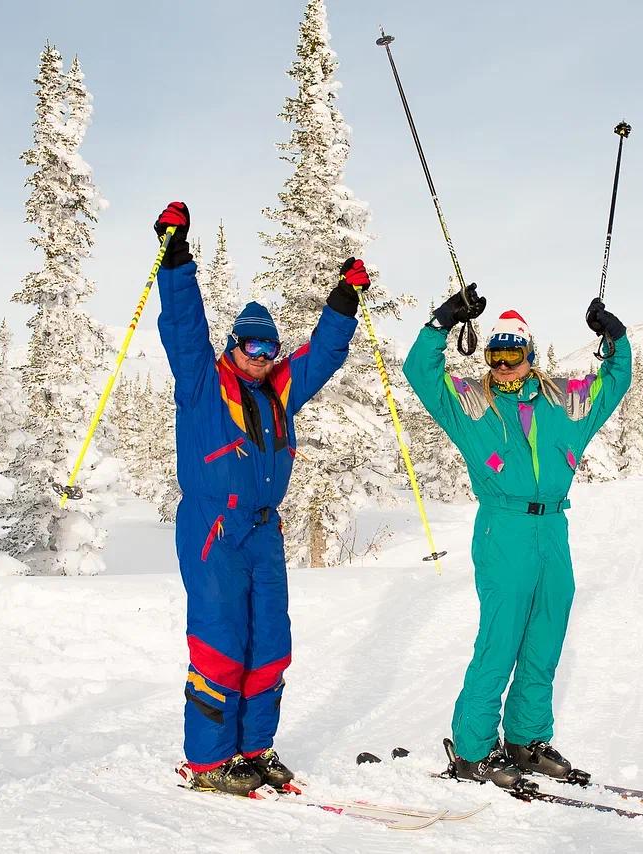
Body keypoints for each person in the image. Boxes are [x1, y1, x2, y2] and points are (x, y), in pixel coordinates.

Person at [153, 201, 370, 796]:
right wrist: (176, 257)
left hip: (263, 532)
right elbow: (183, 327)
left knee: (270, 642)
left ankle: (254, 748)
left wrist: (343, 303)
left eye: (268, 349)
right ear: (233, 347)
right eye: (251, 348)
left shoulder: (279, 391)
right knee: (221, 639)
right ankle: (210, 761)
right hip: (212, 530)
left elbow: (321, 355)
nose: (261, 357)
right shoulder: (202, 382)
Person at [403, 285, 631, 787]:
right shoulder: (472, 404)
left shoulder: (564, 402)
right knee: (501, 638)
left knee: (545, 635)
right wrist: (441, 322)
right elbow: (419, 371)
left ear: (529, 356)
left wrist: (614, 336)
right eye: (495, 355)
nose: (503, 366)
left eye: (513, 355)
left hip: (553, 528)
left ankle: (526, 740)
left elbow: (615, 381)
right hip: (503, 527)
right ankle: (472, 750)